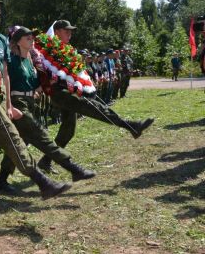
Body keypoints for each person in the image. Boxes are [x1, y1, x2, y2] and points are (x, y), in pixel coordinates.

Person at [0, 0, 72, 207]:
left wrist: (8, 103)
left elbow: (5, 74)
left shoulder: (1, 39)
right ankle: (43, 181)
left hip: (1, 99)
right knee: (13, 138)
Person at [36, 20, 154, 173]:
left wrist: (83, 86)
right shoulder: (48, 49)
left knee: (68, 130)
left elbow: (76, 72)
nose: (70, 34)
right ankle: (131, 126)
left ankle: (45, 161)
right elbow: (45, 69)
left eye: (71, 31)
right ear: (57, 32)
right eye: (67, 31)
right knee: (93, 108)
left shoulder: (67, 50)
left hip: (71, 91)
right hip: (60, 92)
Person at [0, 26, 95, 191]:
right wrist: (9, 105)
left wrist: (44, 86)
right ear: (18, 41)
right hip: (17, 103)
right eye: (27, 38)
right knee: (41, 136)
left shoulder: (31, 61)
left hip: (30, 102)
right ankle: (73, 169)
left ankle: (1, 179)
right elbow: (5, 82)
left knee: (21, 141)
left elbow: (37, 83)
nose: (32, 40)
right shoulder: (11, 60)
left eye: (32, 37)